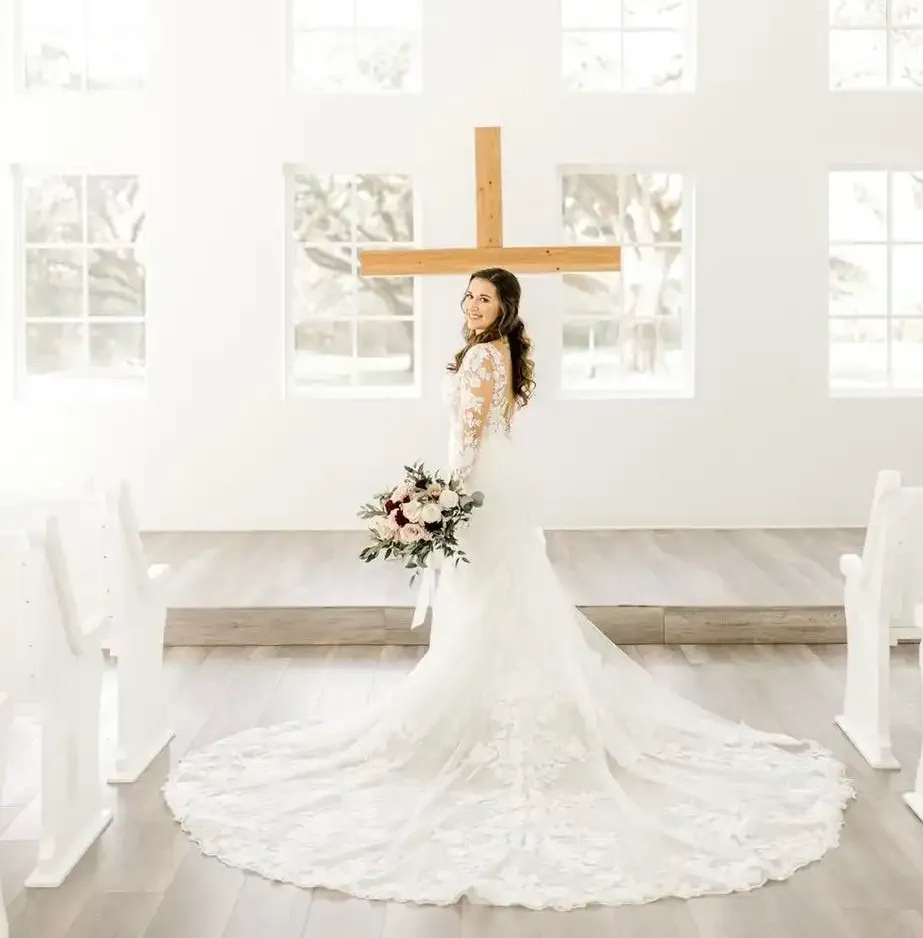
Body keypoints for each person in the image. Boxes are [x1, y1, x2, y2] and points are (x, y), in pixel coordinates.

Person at [162, 267, 853, 910]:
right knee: (499, 599)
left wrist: (440, 503)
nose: (472, 306)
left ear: (506, 309)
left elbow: (467, 436)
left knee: (490, 597)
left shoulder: (485, 357)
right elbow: (494, 426)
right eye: (467, 297)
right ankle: (493, 706)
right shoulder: (498, 355)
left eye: (485, 299)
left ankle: (484, 713)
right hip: (499, 483)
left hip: (479, 488)